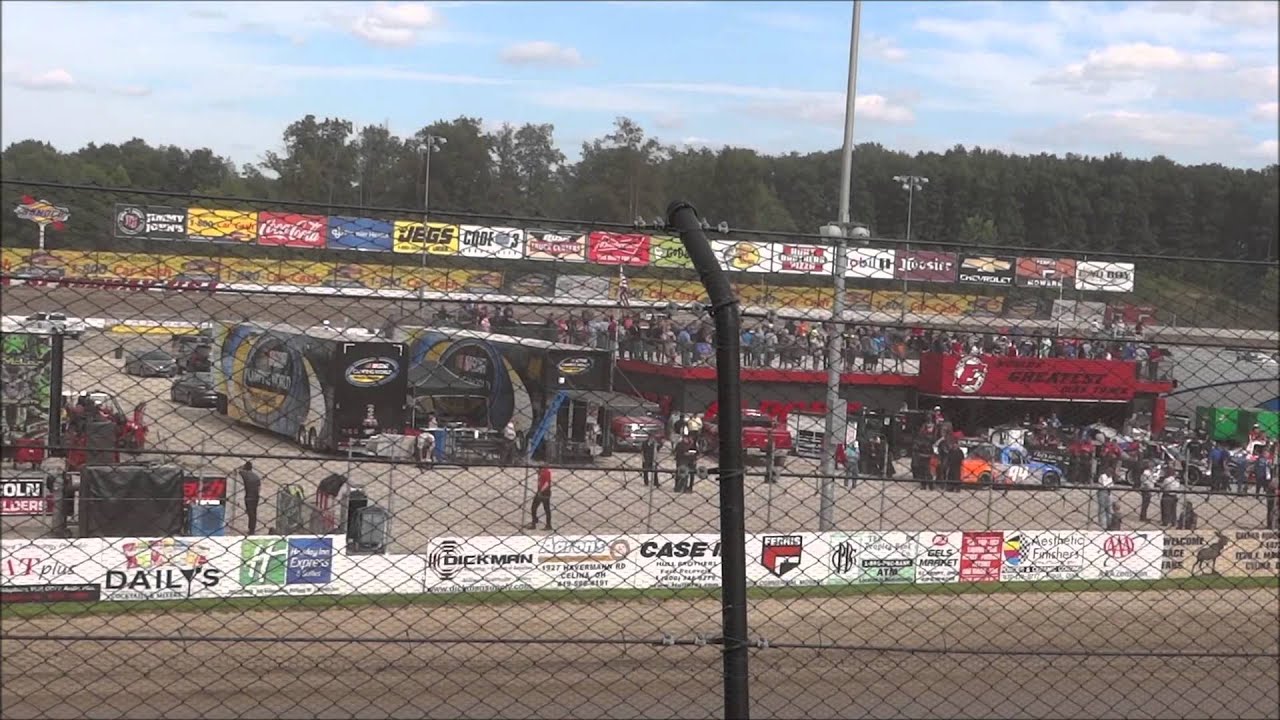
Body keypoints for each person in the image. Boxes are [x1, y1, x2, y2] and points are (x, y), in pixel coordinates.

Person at [238, 461, 262, 535]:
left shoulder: (244, 474)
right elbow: (259, 487)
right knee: (254, 513)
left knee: (250, 512)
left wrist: (242, 467)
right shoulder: (256, 476)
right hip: (255, 496)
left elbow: (238, 470)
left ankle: (251, 529)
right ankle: (252, 529)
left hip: (248, 496)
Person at [528, 464, 552, 531]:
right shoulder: (542, 472)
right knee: (535, 507)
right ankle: (535, 521)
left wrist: (541, 491)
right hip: (542, 491)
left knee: (545, 508)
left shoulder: (546, 472)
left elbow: (547, 483)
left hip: (544, 492)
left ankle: (547, 525)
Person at [1096, 461, 1115, 531]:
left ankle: (1109, 522)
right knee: (1102, 507)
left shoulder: (1110, 477)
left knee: (1109, 508)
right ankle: (1101, 522)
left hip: (1109, 493)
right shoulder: (1103, 476)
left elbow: (1111, 485)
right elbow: (1105, 485)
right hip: (1102, 492)